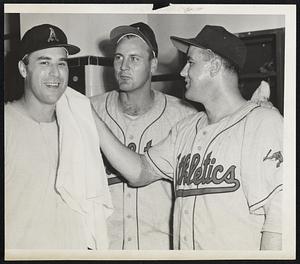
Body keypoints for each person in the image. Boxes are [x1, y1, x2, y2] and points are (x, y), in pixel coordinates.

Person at [95, 25, 283, 250]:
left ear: (214, 67)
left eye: (191, 63)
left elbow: (280, 222)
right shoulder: (186, 128)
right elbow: (139, 172)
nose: (183, 72)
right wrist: (92, 119)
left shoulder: (263, 123)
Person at [5, 24, 112, 250]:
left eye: (61, 64)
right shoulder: (8, 123)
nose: (55, 73)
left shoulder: (75, 123)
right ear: (23, 69)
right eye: (44, 62)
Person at [90, 22, 197, 250]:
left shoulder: (184, 115)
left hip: (160, 249)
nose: (123, 67)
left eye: (134, 59)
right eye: (118, 58)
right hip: (105, 249)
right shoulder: (90, 111)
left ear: (153, 65)